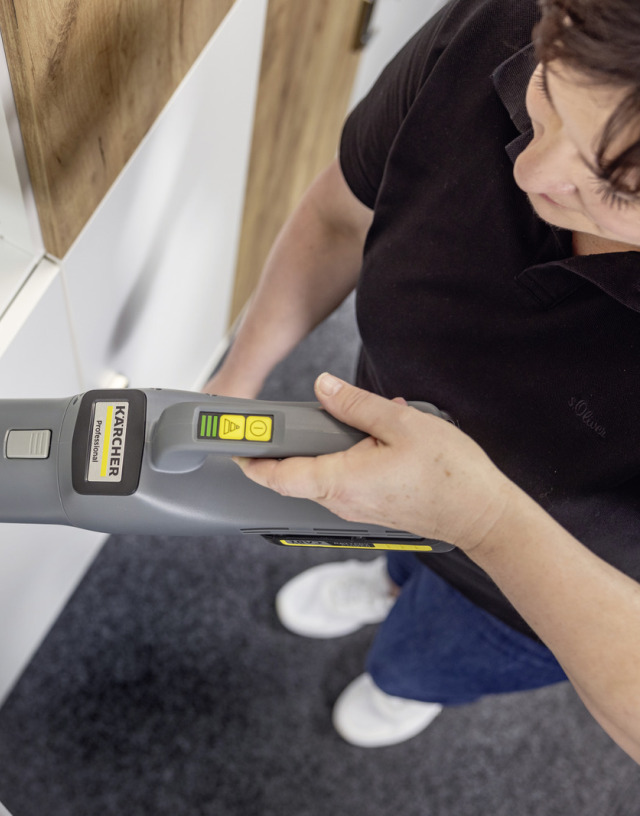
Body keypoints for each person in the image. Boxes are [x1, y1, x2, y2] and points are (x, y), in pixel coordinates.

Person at [205, 0, 640, 754]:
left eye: (617, 188)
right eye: (545, 88)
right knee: (398, 555)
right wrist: (235, 377)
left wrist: (484, 523)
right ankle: (388, 582)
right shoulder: (504, 25)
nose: (529, 169)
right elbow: (340, 218)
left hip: (526, 600)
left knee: (422, 657)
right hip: (387, 463)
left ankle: (403, 683)